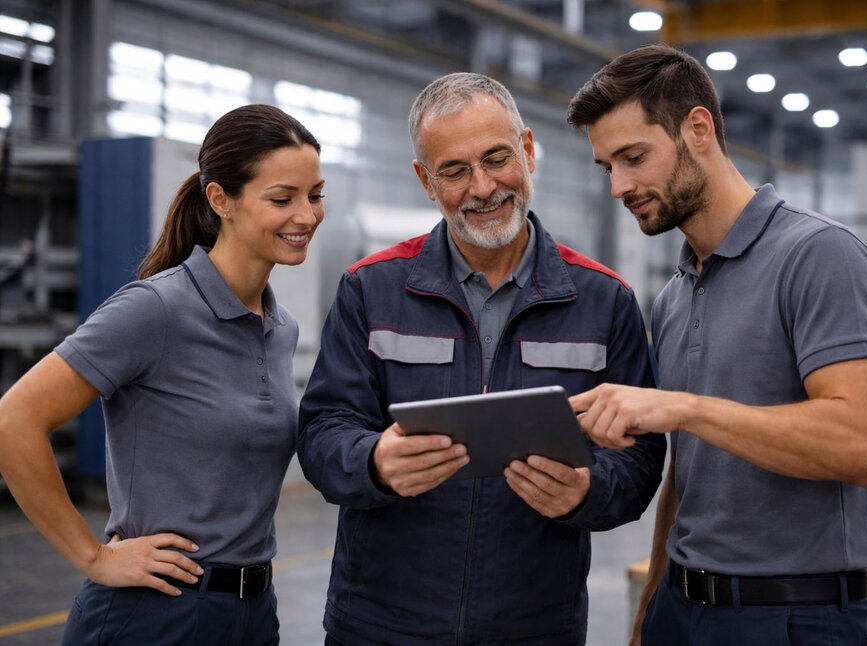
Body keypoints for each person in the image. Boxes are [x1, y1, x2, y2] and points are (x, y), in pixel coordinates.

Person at [297, 72, 666, 645]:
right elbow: (322, 429)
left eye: (497, 158)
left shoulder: (603, 300)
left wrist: (587, 490)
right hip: (380, 625)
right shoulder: (372, 290)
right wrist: (371, 461)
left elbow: (641, 455)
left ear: (528, 151)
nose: (482, 187)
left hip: (533, 627)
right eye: (454, 170)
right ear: (426, 180)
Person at [566, 45, 867, 646]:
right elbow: (687, 477)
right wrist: (650, 607)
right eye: (606, 166)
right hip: (681, 607)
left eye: (634, 157)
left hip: (794, 617)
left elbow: (862, 443)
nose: (619, 185)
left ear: (698, 129)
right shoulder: (674, 296)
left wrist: (687, 408)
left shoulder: (820, 256)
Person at [0, 104, 325, 645]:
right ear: (221, 199)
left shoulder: (280, 327)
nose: (307, 215)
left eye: (315, 195)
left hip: (252, 613)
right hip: (157, 616)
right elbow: (14, 420)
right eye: (282, 198)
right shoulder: (155, 309)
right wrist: (94, 557)